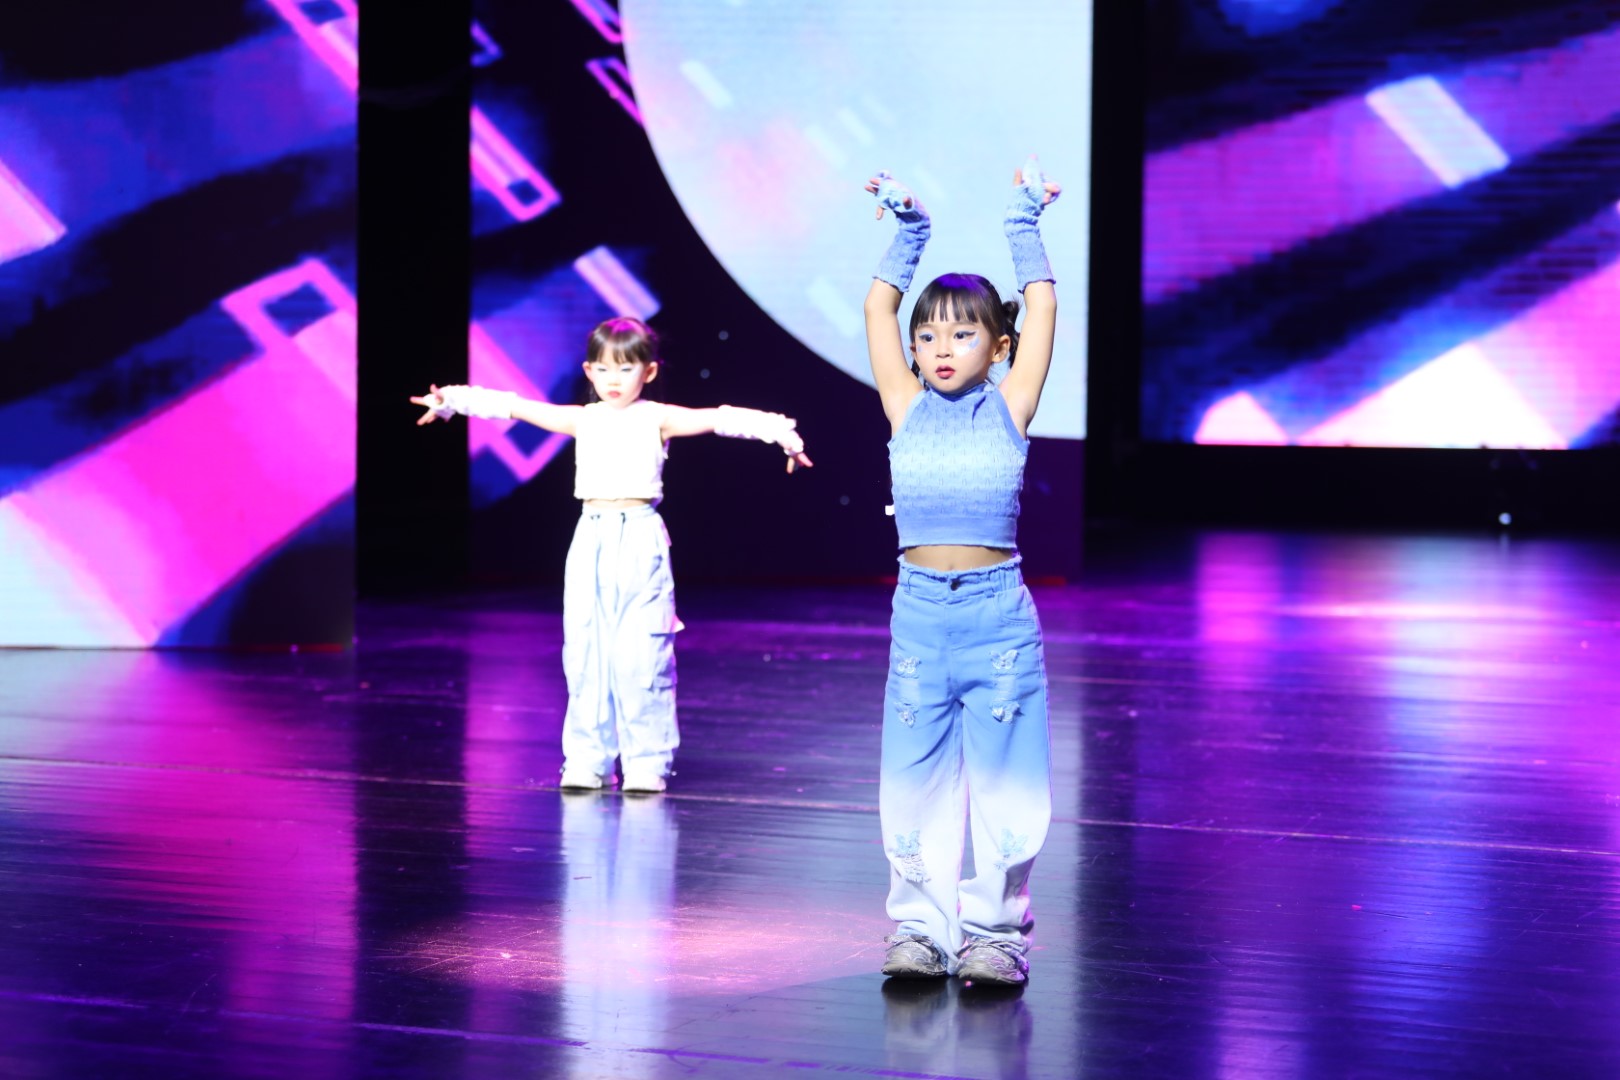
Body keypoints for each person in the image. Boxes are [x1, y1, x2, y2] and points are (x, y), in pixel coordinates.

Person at [411, 317, 812, 793]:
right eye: (603, 369)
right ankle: (588, 761)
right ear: (589, 371)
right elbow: (514, 406)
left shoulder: (657, 417)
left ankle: (646, 763)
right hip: (591, 536)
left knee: (642, 654)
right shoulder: (584, 418)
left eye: (625, 368)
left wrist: (783, 434)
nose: (613, 379)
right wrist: (450, 400)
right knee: (586, 653)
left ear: (649, 371)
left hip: (640, 536)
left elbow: (722, 418)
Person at [861, 159, 1061, 986]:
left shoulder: (1011, 405)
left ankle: (995, 934)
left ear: (999, 347)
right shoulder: (904, 406)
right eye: (929, 336)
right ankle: (919, 928)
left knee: (1010, 783)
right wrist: (912, 231)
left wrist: (1023, 222)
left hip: (995, 616)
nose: (941, 348)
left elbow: (1042, 304)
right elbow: (878, 306)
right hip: (918, 615)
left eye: (963, 334)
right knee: (912, 778)